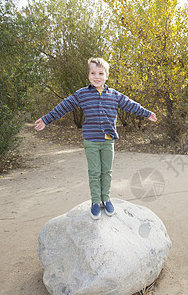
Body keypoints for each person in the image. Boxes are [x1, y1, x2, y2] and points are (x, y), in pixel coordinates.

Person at [35, 57, 157, 219]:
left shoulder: (114, 95)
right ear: (88, 75)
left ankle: (106, 199)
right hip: (91, 140)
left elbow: (130, 104)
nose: (97, 76)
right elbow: (64, 106)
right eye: (93, 73)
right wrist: (46, 119)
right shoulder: (82, 94)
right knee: (94, 172)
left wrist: (147, 113)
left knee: (106, 171)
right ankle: (95, 201)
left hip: (108, 141)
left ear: (106, 76)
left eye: (101, 73)